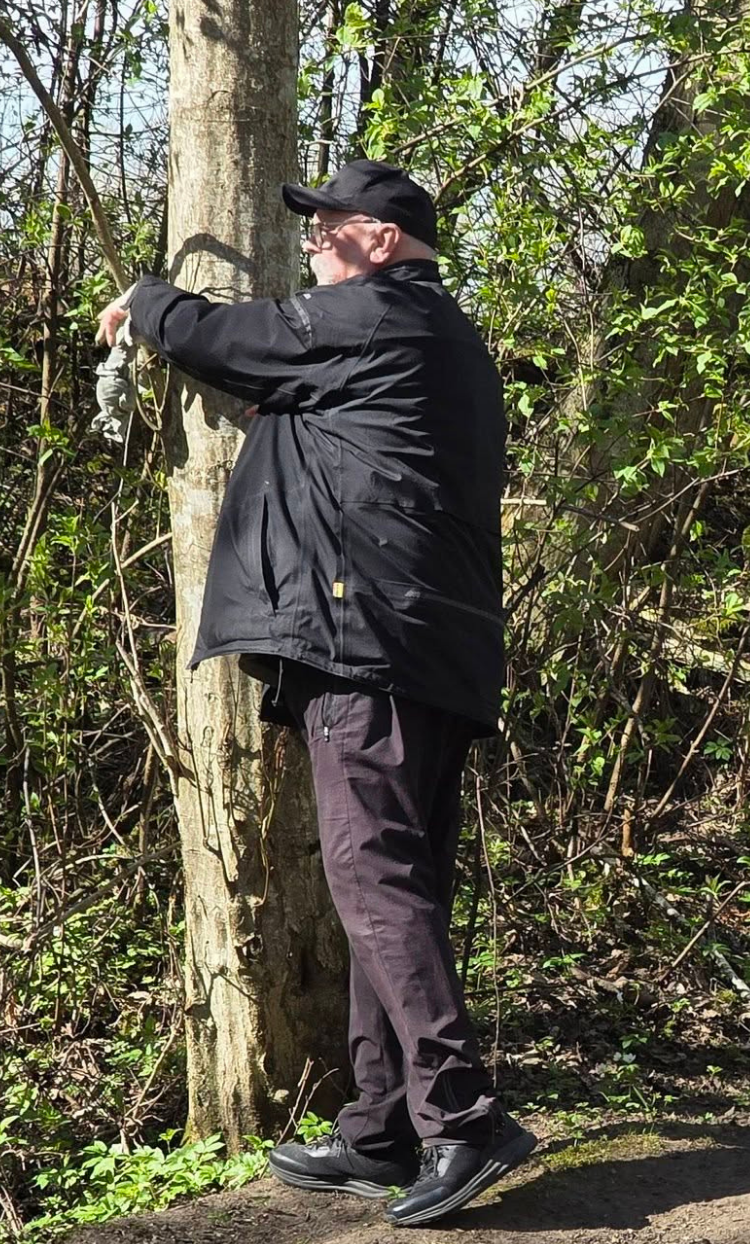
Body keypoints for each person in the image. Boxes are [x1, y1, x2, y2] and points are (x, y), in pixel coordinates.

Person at [97, 159, 533, 1225]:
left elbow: (237, 339)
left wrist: (147, 301)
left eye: (328, 228)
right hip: (432, 644)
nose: (313, 246)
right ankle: (383, 1125)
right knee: (395, 875)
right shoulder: (442, 338)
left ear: (381, 241)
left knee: (370, 872)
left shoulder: (375, 314)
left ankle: (463, 1116)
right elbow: (291, 386)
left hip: (370, 639)